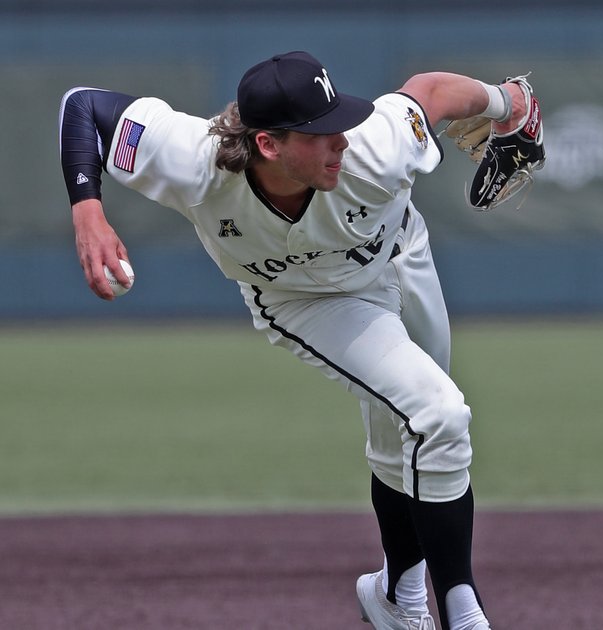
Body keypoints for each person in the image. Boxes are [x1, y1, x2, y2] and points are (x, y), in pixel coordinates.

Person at [59, 50, 536, 630]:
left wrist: (510, 102)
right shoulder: (193, 160)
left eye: (338, 120)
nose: (340, 138)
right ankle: (464, 612)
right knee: (438, 415)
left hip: (398, 258)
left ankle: (399, 594)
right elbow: (83, 107)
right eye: (319, 132)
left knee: (409, 431)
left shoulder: (374, 146)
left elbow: (429, 90)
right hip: (305, 302)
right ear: (268, 145)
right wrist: (88, 210)